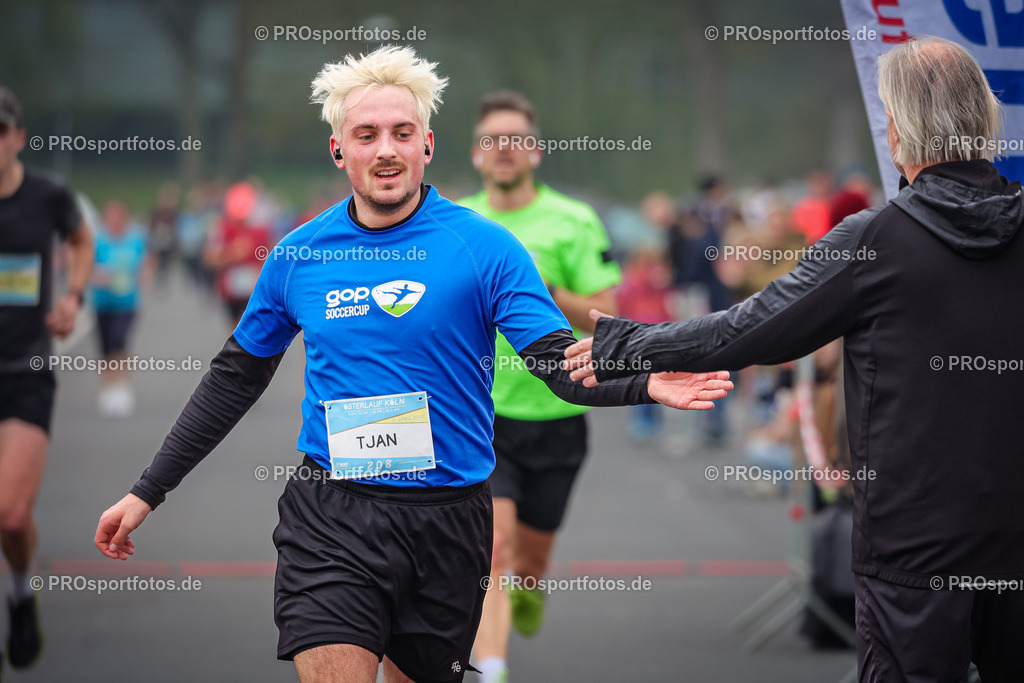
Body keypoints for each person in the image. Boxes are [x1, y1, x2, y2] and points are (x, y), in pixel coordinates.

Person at [92, 46, 733, 683]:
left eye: (402, 133)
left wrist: (645, 378)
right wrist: (148, 490)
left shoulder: (485, 248)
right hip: (330, 516)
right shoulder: (299, 255)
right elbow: (235, 378)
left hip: (447, 522)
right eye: (366, 135)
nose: (386, 151)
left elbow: (556, 364)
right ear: (339, 150)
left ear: (427, 145)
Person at [565, 36, 1024, 683]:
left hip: (912, 546)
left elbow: (750, 328)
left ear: (899, 129)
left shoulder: (876, 241)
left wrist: (628, 345)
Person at [459, 91, 622, 683]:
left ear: (536, 151)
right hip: (482, 418)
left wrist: (543, 290)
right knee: (493, 548)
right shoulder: (456, 222)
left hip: (558, 413)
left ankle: (530, 587)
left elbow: (609, 313)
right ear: (476, 154)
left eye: (516, 139)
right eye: (492, 140)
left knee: (529, 558)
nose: (503, 149)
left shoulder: (573, 220)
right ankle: (492, 667)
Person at [0, 86, 93, 674]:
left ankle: (20, 591)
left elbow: (82, 240)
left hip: (24, 373)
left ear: (18, 138)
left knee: (10, 515)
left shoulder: (47, 195)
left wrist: (73, 296)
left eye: (0, 131)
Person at [91, 199, 153, 417]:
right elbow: (85, 266)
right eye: (111, 216)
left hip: (127, 302)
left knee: (120, 341)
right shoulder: (98, 241)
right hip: (102, 302)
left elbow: (146, 261)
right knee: (105, 347)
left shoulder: (135, 240)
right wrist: (97, 276)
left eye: (119, 216)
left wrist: (145, 277)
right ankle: (107, 387)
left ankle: (122, 388)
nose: (115, 220)